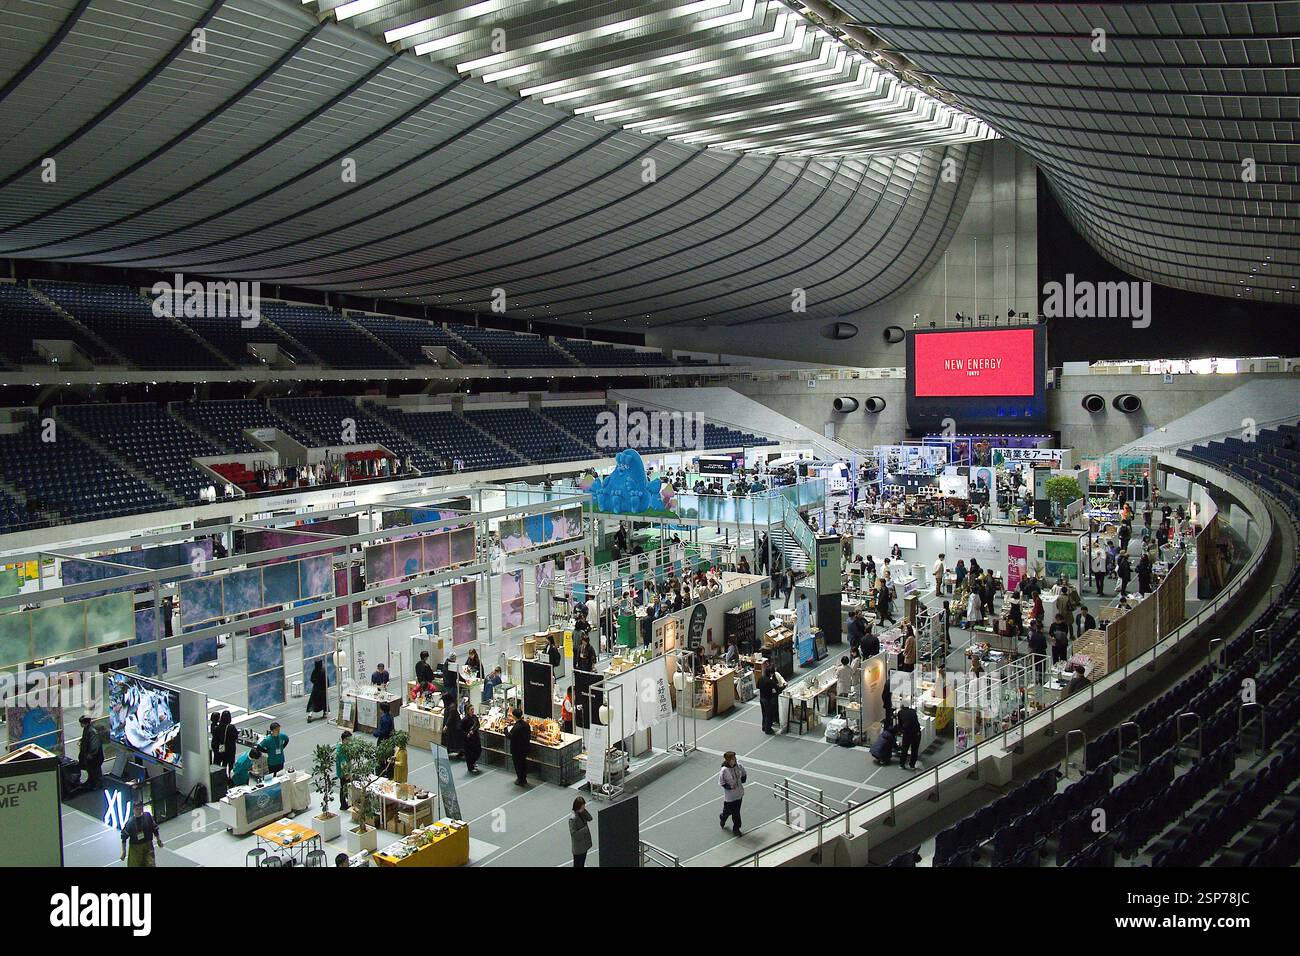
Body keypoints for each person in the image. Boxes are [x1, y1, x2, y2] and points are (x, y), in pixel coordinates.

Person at [120, 801, 164, 867]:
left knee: (150, 864)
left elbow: (155, 829)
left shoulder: (147, 816)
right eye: (137, 809)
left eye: (140, 808)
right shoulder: (130, 822)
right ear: (133, 810)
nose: (139, 811)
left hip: (148, 845)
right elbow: (123, 837)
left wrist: (158, 840)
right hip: (135, 848)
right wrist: (124, 851)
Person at [717, 751, 747, 837]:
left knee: (736, 812)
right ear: (729, 760)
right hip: (730, 796)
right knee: (728, 811)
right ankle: (723, 817)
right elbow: (721, 782)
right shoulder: (724, 770)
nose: (735, 759)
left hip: (739, 793)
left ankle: (736, 828)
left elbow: (744, 772)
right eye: (733, 758)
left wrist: (743, 779)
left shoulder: (739, 765)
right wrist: (729, 787)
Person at [77, 714, 103, 791]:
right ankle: (91, 782)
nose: (81, 725)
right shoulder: (87, 729)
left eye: (81, 723)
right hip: (89, 755)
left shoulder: (92, 731)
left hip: (94, 756)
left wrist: (91, 754)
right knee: (91, 770)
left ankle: (97, 784)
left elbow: (94, 744)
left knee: (95, 770)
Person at [895, 698, 922, 770]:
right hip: (916, 733)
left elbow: (900, 724)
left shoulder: (900, 713)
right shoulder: (913, 711)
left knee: (904, 749)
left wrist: (900, 731)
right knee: (914, 749)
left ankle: (902, 764)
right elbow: (915, 722)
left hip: (907, 733)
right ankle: (912, 765)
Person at [757, 662, 783, 734]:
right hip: (768, 699)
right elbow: (778, 689)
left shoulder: (761, 678)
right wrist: (783, 686)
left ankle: (764, 727)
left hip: (762, 698)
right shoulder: (770, 681)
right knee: (769, 714)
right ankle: (768, 729)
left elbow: (757, 686)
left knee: (764, 713)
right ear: (771, 673)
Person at [508, 708, 531, 786]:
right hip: (524, 748)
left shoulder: (516, 727)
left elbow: (509, 736)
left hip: (516, 749)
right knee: (523, 763)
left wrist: (505, 730)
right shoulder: (526, 724)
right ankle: (524, 778)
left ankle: (520, 779)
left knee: (518, 764)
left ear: (514, 716)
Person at [570, 796, 594, 867]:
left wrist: (584, 810)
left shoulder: (581, 813)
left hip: (584, 845)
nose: (583, 808)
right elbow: (574, 834)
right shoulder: (573, 819)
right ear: (577, 807)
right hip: (579, 848)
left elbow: (590, 818)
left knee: (581, 864)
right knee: (578, 865)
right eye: (582, 807)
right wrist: (584, 830)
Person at [461, 703, 483, 774]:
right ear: (467, 711)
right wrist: (467, 734)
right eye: (471, 710)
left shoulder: (474, 717)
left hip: (475, 737)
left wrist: (473, 730)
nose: (473, 711)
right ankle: (470, 767)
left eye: (473, 709)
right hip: (468, 739)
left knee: (478, 750)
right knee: (470, 753)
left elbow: (478, 724)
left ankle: (473, 762)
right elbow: (460, 729)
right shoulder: (465, 720)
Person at [441, 692, 462, 758]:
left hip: (454, 727)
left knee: (455, 740)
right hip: (451, 727)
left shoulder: (452, 706)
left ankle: (460, 751)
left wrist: (446, 725)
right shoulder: (450, 704)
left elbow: (451, 717)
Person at [1027, 620, 1048, 684]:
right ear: (1041, 629)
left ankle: (1035, 680)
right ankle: (1041, 681)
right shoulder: (1043, 637)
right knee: (1042, 668)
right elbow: (1045, 646)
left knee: (1035, 667)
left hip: (1035, 653)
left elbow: (1031, 644)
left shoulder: (1033, 635)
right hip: (1042, 654)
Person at [335, 732, 352, 811]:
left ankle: (345, 803)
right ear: (344, 739)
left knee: (344, 788)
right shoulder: (341, 750)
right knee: (344, 788)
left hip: (344, 771)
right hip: (343, 773)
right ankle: (343, 805)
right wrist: (347, 774)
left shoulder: (343, 746)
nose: (350, 741)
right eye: (349, 739)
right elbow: (343, 763)